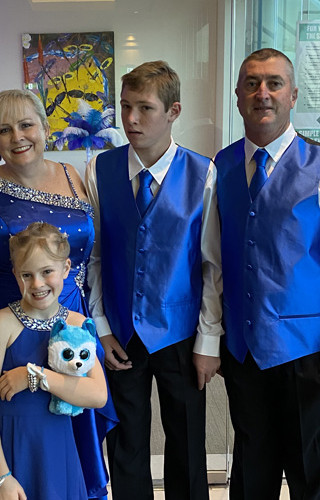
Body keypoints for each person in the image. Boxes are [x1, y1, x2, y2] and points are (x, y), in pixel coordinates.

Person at [214, 48, 320, 499]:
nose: (262, 93)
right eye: (251, 83)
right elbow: (214, 264)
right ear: (237, 95)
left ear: (293, 95)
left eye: (273, 83)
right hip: (245, 354)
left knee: (311, 476)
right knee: (251, 475)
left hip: (310, 357)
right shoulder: (221, 167)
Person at [0, 89, 117, 499]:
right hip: (6, 333)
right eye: (4, 130)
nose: (17, 137)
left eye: (26, 125)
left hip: (70, 323)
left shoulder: (74, 177)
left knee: (68, 436)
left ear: (44, 128)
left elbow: (92, 261)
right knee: (10, 427)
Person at [85, 60, 223, 500]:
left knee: (186, 440)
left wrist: (207, 342)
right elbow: (95, 258)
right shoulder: (99, 170)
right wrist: (101, 328)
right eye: (125, 107)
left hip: (181, 334)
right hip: (122, 332)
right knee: (125, 442)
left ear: (173, 111)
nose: (130, 119)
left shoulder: (204, 173)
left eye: (144, 108)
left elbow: (211, 267)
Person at [0, 221, 108, 499]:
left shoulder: (79, 324)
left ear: (66, 269)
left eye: (47, 272)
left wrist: (34, 376)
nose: (37, 284)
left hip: (58, 450)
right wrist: (1, 477)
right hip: (11, 453)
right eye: (26, 275)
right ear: (15, 275)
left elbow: (98, 396)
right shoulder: (1, 323)